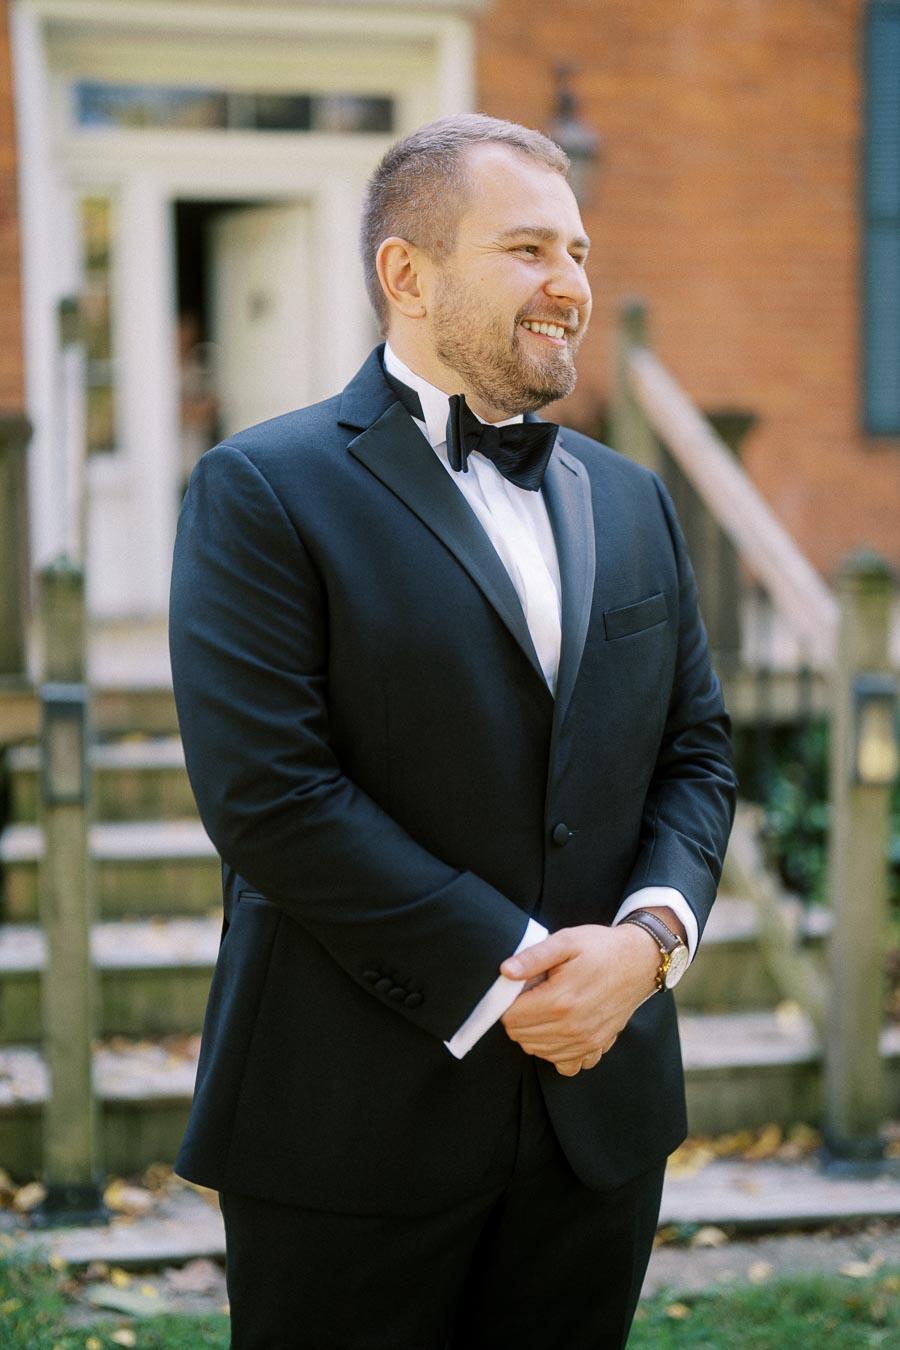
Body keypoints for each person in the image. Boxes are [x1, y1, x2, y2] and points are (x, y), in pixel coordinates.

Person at [169, 113, 736, 1349]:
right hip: (349, 1124)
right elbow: (271, 795)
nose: (573, 287)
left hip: (602, 1124)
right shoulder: (260, 490)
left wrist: (646, 947)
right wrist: (523, 971)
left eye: (580, 252)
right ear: (407, 274)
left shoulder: (633, 500)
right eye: (529, 249)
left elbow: (696, 753)